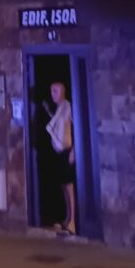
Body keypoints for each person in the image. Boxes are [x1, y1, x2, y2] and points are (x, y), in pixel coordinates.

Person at [43, 82, 76, 235]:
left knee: (69, 187)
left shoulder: (67, 107)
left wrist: (74, 150)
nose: (52, 94)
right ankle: (67, 218)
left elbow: (76, 126)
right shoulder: (58, 108)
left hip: (66, 151)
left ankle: (73, 221)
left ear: (63, 92)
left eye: (55, 91)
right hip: (58, 152)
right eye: (51, 91)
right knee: (63, 186)